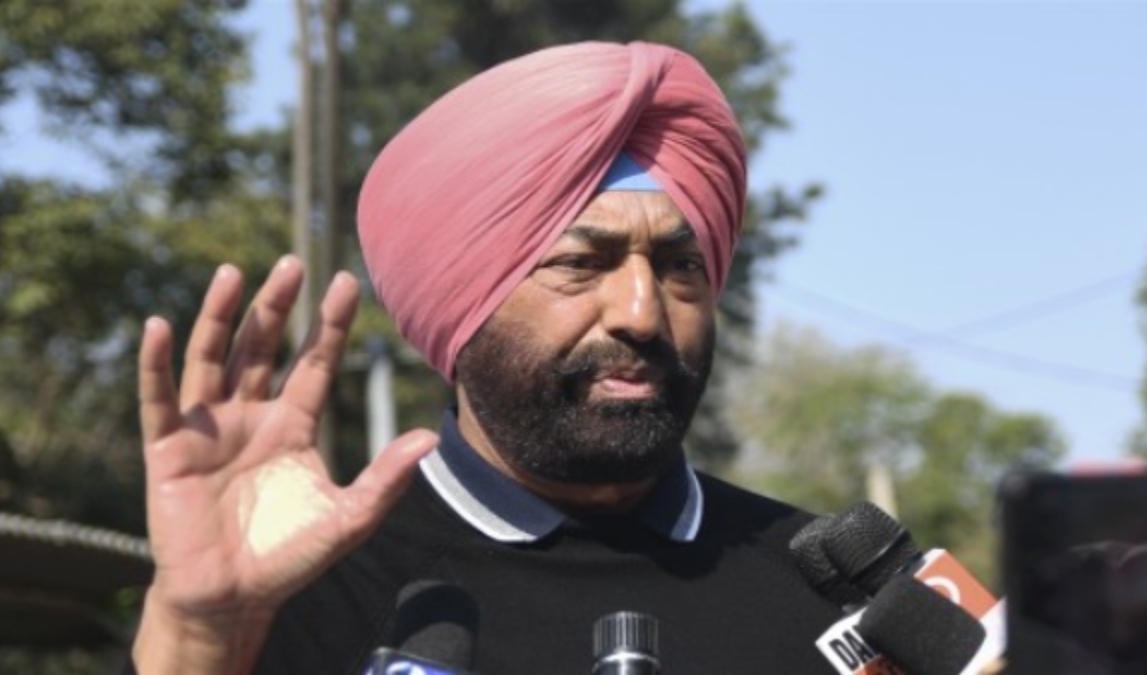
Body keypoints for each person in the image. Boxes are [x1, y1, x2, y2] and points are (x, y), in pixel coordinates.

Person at [130, 41, 842, 674]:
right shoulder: (310, 593)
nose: (641, 313)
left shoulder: (835, 594)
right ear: (462, 300)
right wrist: (195, 636)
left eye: (679, 264)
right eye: (580, 263)